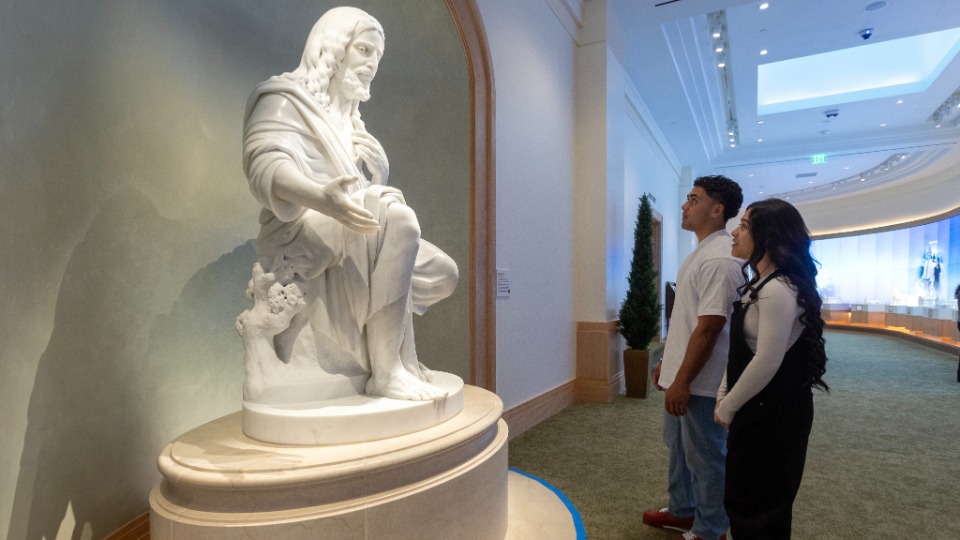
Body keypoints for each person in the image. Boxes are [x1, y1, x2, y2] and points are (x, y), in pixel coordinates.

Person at [237, 7, 458, 402]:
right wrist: (322, 198)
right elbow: (265, 165)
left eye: (378, 56)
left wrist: (379, 177)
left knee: (443, 272)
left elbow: (355, 199)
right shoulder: (285, 98)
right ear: (333, 48)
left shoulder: (353, 123)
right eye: (364, 50)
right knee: (402, 221)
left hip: (343, 222)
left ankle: (389, 355)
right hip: (297, 229)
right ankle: (387, 371)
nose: (373, 64)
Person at [714, 198, 829, 540]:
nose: (734, 233)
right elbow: (741, 351)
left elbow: (767, 359)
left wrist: (729, 405)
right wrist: (724, 393)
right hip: (757, 409)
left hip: (774, 415)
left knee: (762, 510)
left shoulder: (778, 288)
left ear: (769, 234)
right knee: (744, 498)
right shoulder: (760, 284)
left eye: (744, 226)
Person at [644, 175, 744, 540]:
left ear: (717, 210)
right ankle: (683, 510)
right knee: (678, 449)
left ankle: (711, 528)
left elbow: (710, 328)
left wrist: (683, 381)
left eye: (694, 199)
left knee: (705, 457)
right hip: (683, 375)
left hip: (702, 383)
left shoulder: (721, 259)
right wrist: (667, 365)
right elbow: (686, 321)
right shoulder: (701, 252)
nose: (684, 206)